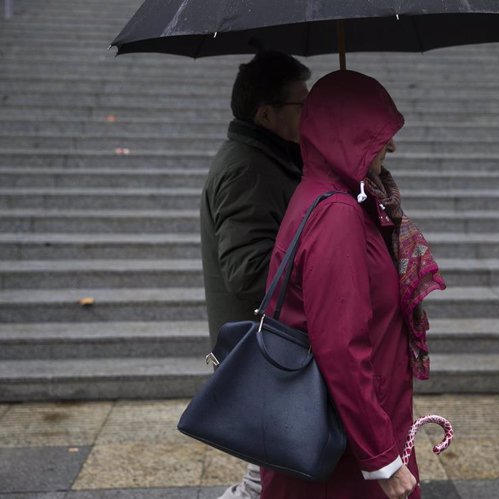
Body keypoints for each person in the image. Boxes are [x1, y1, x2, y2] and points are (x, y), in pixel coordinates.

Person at [261, 70, 445, 499]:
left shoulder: (330, 196)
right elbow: (341, 347)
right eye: (377, 133)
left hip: (347, 436)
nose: (392, 145)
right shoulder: (338, 215)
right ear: (348, 135)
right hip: (347, 453)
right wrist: (381, 459)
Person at [200, 50, 311, 499]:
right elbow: (247, 272)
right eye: (302, 105)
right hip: (262, 349)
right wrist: (323, 261)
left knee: (271, 470)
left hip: (270, 344)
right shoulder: (248, 169)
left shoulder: (272, 158)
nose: (313, 113)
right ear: (266, 114)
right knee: (263, 479)